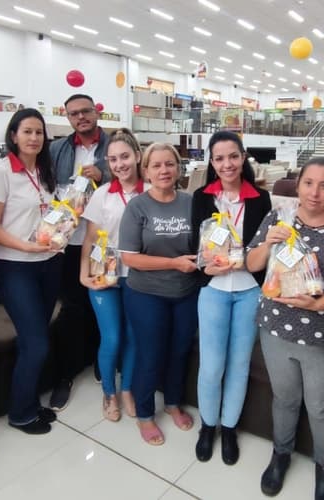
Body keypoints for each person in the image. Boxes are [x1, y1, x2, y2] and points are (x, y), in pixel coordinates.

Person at [245, 157, 324, 500]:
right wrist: (267, 242)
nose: (314, 193)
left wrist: (319, 303)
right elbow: (252, 263)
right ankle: (281, 454)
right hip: (275, 328)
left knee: (321, 405)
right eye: (308, 183)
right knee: (284, 399)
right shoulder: (278, 218)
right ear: (297, 186)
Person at [190, 131, 272, 465]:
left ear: (243, 157)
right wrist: (204, 269)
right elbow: (194, 250)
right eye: (219, 158)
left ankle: (229, 427)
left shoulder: (261, 198)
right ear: (211, 162)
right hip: (213, 291)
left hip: (249, 291)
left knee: (238, 365)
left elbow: (263, 250)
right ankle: (207, 426)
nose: (227, 164)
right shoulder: (201, 197)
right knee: (211, 366)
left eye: (233, 156)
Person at [0, 108, 61, 435]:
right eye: (27, 131)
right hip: (17, 268)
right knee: (36, 342)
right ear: (13, 135)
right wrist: (24, 247)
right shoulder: (1, 172)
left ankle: (29, 403)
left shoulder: (45, 170)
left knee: (35, 340)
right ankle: (19, 412)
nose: (33, 138)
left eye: (39, 132)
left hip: (49, 263)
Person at [119, 142, 199, 446]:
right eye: (157, 165)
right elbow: (129, 257)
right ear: (146, 170)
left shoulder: (191, 202)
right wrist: (173, 264)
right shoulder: (137, 206)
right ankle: (144, 414)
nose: (164, 170)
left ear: (178, 168)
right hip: (146, 293)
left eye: (170, 164)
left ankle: (173, 403)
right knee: (150, 353)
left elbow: (203, 246)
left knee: (179, 352)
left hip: (186, 292)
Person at [48, 93, 111, 411]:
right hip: (67, 242)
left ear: (96, 111)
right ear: (67, 117)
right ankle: (66, 374)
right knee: (71, 308)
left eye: (86, 111)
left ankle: (102, 360)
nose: (80, 117)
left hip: (102, 239)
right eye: (74, 113)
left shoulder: (114, 144)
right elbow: (48, 190)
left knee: (103, 302)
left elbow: (134, 177)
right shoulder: (58, 148)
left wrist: (105, 175)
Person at [79, 128, 147, 421]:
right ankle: (109, 392)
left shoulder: (151, 192)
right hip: (104, 275)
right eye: (113, 160)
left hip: (139, 277)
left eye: (124, 157)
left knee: (133, 337)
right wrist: (84, 274)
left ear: (137, 156)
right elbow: (90, 239)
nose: (119, 164)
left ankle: (128, 389)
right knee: (113, 338)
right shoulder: (103, 194)